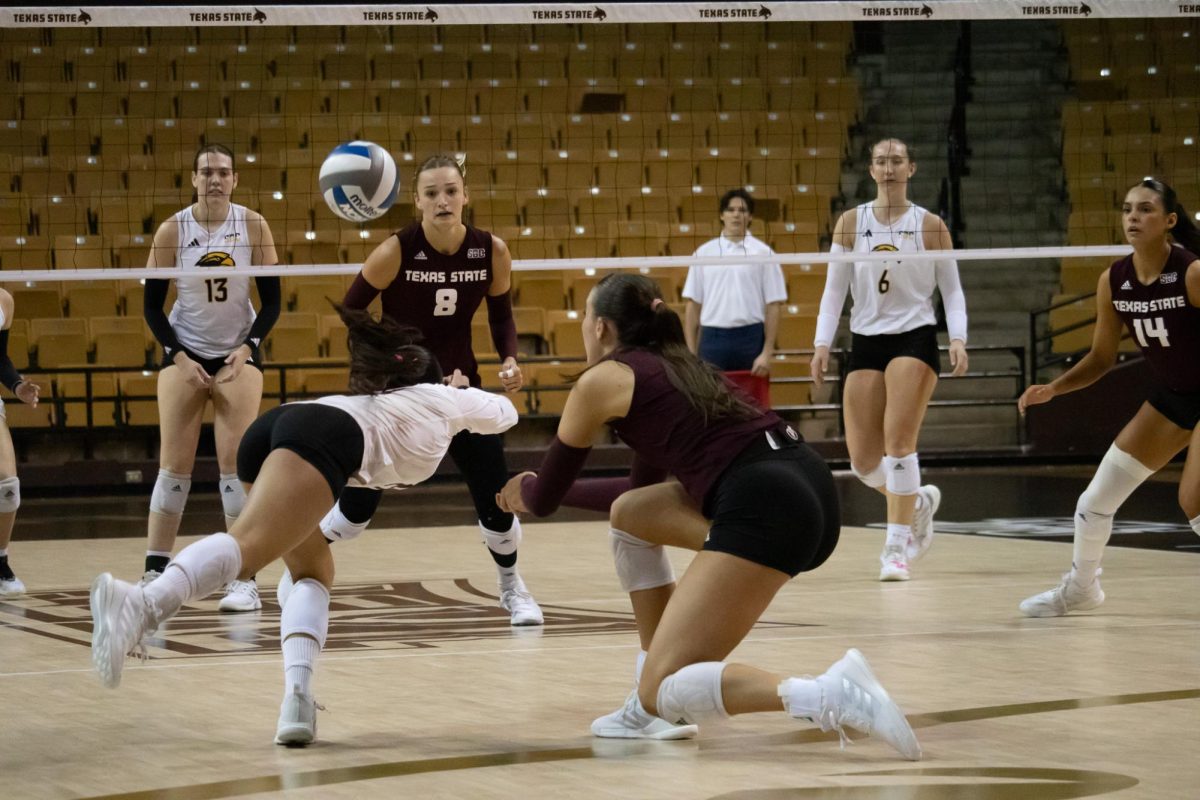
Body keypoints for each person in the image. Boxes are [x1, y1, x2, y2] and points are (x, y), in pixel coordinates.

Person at [497, 273, 921, 760]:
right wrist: (548, 492)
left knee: (668, 689)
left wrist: (520, 490)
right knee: (632, 514)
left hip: (764, 503)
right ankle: (645, 708)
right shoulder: (681, 365)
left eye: (587, 319)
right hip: (808, 485)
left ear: (600, 329)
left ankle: (825, 694)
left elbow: (545, 497)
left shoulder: (602, 382)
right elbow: (640, 492)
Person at [90, 305, 519, 746]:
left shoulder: (377, 400)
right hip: (322, 438)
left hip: (282, 425)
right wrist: (460, 389)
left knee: (313, 573)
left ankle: (297, 699)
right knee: (246, 550)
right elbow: (506, 413)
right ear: (432, 379)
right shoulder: (446, 398)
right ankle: (140, 605)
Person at [317, 153, 542, 626]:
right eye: (432, 193)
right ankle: (303, 565)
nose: (443, 201)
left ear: (466, 195)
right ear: (417, 200)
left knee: (495, 496)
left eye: (451, 191)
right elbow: (353, 317)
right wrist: (408, 367)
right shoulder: (396, 249)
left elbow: (501, 316)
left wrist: (509, 359)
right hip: (398, 395)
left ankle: (511, 588)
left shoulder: (490, 250)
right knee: (356, 511)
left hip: (461, 387)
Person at [1018, 178, 1200, 616]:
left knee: (1193, 500)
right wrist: (1054, 387)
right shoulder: (1113, 280)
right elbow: (1102, 358)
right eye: (1127, 209)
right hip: (1173, 398)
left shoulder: (1192, 273)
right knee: (1095, 502)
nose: (1133, 217)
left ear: (1169, 221)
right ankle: (1082, 589)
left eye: (1145, 210)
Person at [810, 138, 969, 582]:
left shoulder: (929, 224)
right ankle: (915, 501)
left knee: (898, 443)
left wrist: (957, 337)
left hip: (914, 337)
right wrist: (822, 343)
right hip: (865, 339)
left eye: (896, 160)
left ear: (911, 169)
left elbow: (951, 289)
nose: (888, 167)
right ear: (870, 169)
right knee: (862, 462)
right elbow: (833, 290)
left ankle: (896, 549)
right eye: (880, 160)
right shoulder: (850, 222)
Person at [140, 143, 281, 612]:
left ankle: (244, 577)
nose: (215, 179)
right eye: (206, 172)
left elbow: (274, 301)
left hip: (236, 352)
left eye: (223, 172)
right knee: (173, 468)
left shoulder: (253, 224)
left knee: (234, 465)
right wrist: (178, 357)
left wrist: (247, 349)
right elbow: (151, 307)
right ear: (194, 179)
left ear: (235, 179)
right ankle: (155, 572)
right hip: (185, 349)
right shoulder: (172, 230)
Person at [682, 188, 787, 376]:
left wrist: (766, 353)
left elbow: (773, 305)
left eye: (742, 210)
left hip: (750, 338)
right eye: (731, 210)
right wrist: (690, 352)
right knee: (710, 402)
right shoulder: (704, 253)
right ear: (722, 215)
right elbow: (693, 304)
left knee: (749, 404)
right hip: (712, 339)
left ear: (750, 216)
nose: (736, 214)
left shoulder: (764, 254)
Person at [0, 289, 40, 597]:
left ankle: (0, 563)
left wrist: (17, 386)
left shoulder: (4, 301)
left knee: (7, 486)